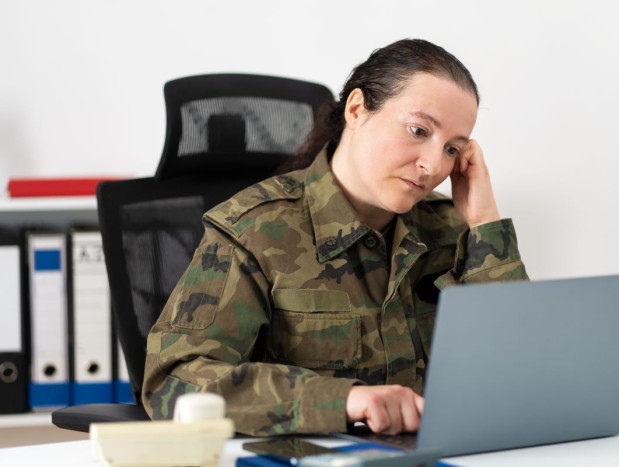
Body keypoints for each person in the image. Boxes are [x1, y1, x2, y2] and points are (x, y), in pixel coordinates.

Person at [142, 38, 528, 436]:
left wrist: (485, 223)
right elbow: (174, 381)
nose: (432, 165)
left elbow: (526, 375)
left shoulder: (452, 231)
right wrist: (341, 401)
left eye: (452, 149)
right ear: (357, 109)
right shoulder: (255, 230)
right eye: (418, 130)